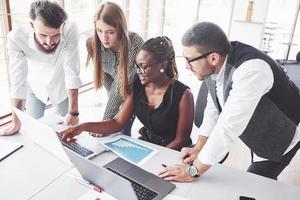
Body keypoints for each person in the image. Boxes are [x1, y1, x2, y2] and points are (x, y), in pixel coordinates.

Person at [159, 22, 300, 182]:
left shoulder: (251, 71)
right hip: (259, 125)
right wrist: (199, 147)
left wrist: (192, 171)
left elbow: (228, 127)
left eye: (189, 60)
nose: (186, 66)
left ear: (213, 58)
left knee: (254, 184)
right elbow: (213, 108)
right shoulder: (214, 64)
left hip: (281, 134)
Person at [61, 36, 194, 150]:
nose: (138, 71)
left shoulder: (183, 95)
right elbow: (117, 122)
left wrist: (155, 157)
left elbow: (181, 140)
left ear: (163, 65)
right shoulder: (137, 86)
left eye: (143, 66)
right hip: (148, 147)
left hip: (173, 154)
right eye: (137, 66)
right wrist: (83, 127)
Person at [0, 0, 82, 136]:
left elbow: (71, 71)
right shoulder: (16, 38)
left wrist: (73, 112)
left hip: (61, 85)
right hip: (35, 85)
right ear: (31, 25)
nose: (49, 42)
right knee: (32, 130)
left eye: (56, 35)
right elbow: (17, 81)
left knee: (65, 131)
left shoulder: (70, 29)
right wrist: (15, 122)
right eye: (43, 35)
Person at [85, 2, 143, 136]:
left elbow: (122, 82)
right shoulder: (91, 43)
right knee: (112, 128)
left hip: (137, 90)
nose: (103, 38)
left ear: (120, 28)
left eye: (110, 32)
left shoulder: (135, 42)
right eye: (99, 31)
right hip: (119, 90)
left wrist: (105, 122)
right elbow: (107, 78)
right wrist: (112, 115)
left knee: (120, 132)